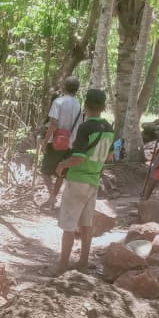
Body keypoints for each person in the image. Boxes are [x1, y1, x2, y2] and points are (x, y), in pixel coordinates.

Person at [53, 89, 114, 274]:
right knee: (86, 224)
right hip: (93, 181)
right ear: (104, 107)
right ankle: (83, 261)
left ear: (85, 107)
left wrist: (62, 164)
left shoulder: (85, 127)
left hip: (77, 179)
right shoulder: (109, 128)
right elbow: (110, 157)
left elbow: (78, 158)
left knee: (69, 225)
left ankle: (62, 265)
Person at [39, 76, 83, 209]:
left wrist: (45, 142)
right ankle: (53, 198)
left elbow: (53, 124)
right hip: (71, 143)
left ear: (64, 87)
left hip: (56, 142)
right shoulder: (78, 105)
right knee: (61, 173)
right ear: (77, 90)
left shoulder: (58, 102)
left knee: (45, 171)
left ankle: (52, 197)